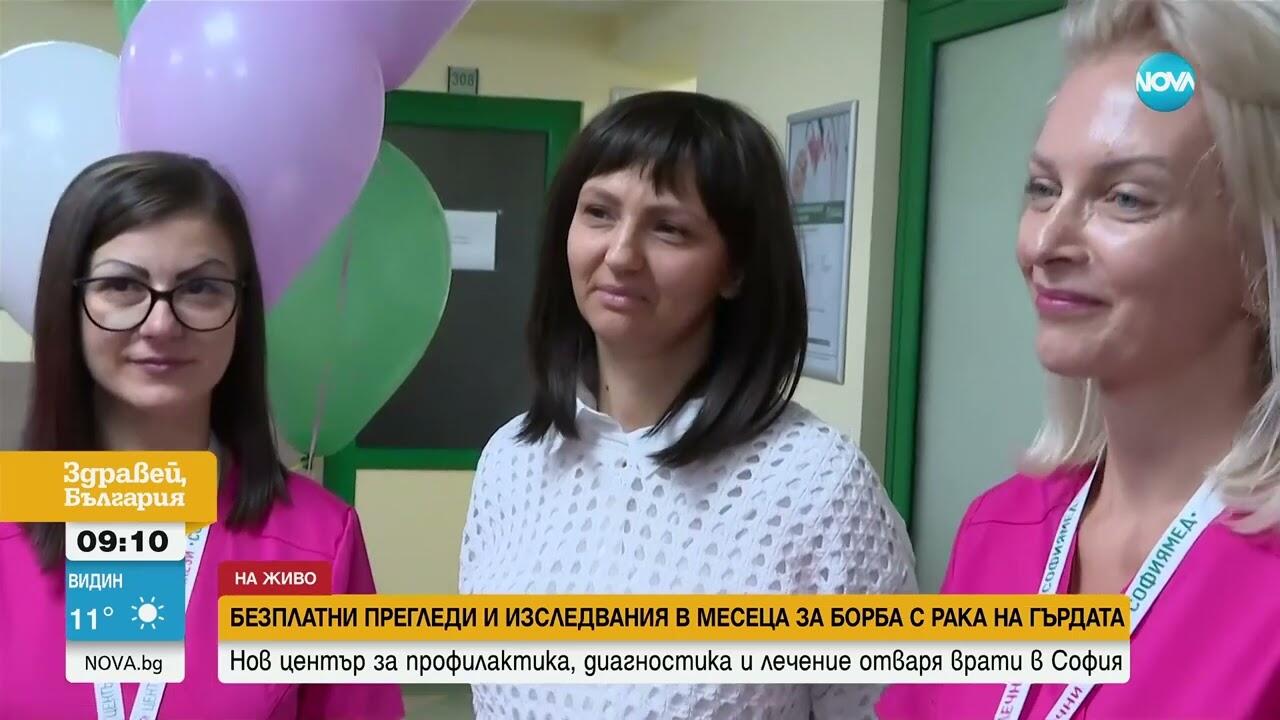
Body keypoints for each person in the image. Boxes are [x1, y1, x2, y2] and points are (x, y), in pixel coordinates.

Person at [877, 0, 1280, 717]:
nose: (1044, 244)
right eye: (1043, 189)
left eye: (1125, 198)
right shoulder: (998, 529)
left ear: (1259, 253)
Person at [458, 91, 916, 719]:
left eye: (668, 228)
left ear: (735, 269)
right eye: (599, 213)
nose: (621, 254)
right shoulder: (511, 461)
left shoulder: (816, 486)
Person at [0, 152, 406, 719]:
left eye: (200, 288)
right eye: (121, 285)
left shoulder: (318, 540)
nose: (161, 324)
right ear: (68, 306)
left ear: (241, 310)